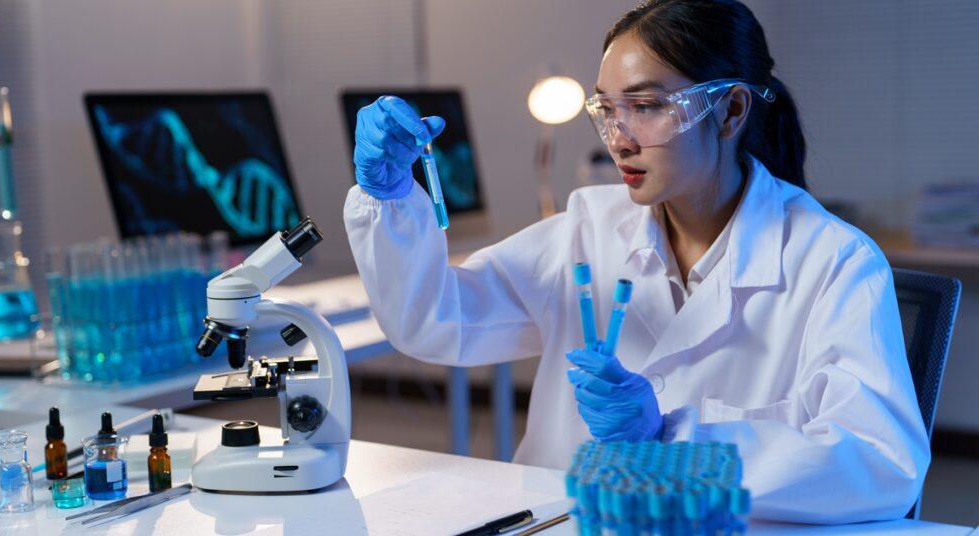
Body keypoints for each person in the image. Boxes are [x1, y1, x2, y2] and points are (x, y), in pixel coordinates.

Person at [343, 0, 928, 524]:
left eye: (645, 106)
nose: (618, 138)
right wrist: (390, 199)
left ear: (730, 112)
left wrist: (672, 442)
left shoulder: (833, 262)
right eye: (607, 109)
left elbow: (880, 464)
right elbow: (438, 320)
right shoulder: (588, 227)